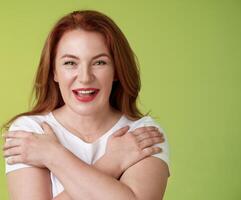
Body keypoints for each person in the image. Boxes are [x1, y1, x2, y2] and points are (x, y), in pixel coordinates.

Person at [2, 10, 170, 200]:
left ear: (116, 70)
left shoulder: (143, 134)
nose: (84, 78)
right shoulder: (30, 132)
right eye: (70, 63)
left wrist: (52, 155)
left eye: (99, 62)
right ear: (54, 72)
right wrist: (112, 162)